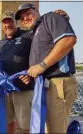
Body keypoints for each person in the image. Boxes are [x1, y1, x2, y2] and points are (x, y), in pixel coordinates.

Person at [0, 9, 70, 133]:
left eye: (10, 21)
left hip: (23, 89)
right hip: (5, 91)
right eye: (4, 22)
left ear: (16, 23)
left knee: (25, 126)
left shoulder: (29, 34)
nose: (8, 25)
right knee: (6, 122)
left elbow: (45, 34)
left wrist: (61, 18)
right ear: (1, 25)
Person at [15, 3, 78, 133]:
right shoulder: (35, 32)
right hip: (45, 86)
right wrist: (31, 74)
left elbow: (68, 40)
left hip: (58, 83)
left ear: (36, 10)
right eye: (21, 17)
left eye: (27, 13)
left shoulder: (50, 17)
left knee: (56, 130)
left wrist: (42, 66)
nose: (25, 18)